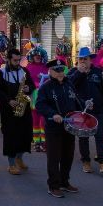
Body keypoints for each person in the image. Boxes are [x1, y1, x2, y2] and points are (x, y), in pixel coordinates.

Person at [34, 58, 81, 198]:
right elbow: (40, 105)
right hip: (54, 128)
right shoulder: (45, 87)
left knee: (68, 156)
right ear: (50, 71)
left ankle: (64, 182)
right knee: (54, 157)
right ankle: (53, 186)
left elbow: (76, 100)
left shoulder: (69, 84)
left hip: (69, 126)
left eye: (62, 70)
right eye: (57, 70)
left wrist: (85, 105)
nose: (60, 73)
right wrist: (53, 114)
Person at [72, 47, 103, 175]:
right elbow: (70, 86)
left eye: (85, 59)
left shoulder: (99, 72)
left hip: (99, 109)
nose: (83, 61)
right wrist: (80, 73)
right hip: (82, 110)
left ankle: (102, 162)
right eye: (81, 59)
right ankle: (86, 161)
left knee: (100, 136)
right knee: (83, 137)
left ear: (91, 60)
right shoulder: (74, 72)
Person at [0, 47, 32, 174]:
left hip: (23, 108)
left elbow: (32, 85)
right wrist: (9, 100)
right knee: (10, 136)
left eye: (19, 60)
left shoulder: (24, 71)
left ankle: (19, 158)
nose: (17, 63)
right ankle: (11, 164)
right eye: (15, 60)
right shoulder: (1, 72)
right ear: (8, 59)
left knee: (25, 134)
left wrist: (28, 88)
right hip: (9, 110)